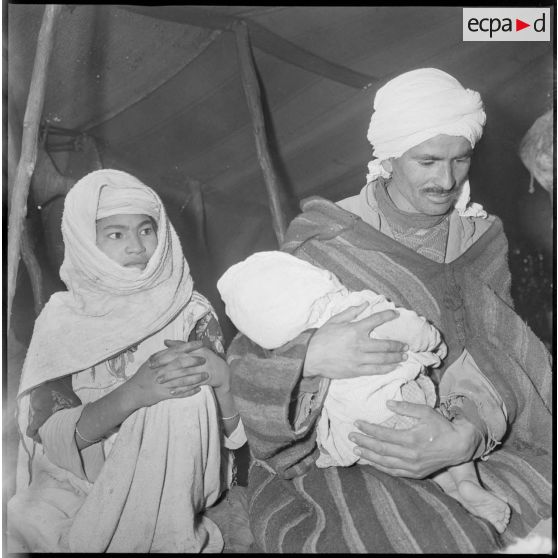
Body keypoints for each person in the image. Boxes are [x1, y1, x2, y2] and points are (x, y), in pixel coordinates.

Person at [227, 68, 552, 553]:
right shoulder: (329, 238)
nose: (446, 180)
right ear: (389, 157)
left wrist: (468, 432)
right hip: (360, 450)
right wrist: (311, 358)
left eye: (460, 160)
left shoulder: (483, 238)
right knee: (407, 535)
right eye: (427, 161)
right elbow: (251, 355)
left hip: (478, 434)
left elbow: (506, 349)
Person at [7, 169, 246, 552]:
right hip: (79, 481)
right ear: (85, 242)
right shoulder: (62, 320)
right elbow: (54, 440)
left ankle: (167, 537)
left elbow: (231, 436)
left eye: (147, 230)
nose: (137, 246)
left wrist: (223, 380)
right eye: (116, 234)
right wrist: (133, 394)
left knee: (187, 395)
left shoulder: (189, 311)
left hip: (176, 481)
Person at [218, 249, 512, 532]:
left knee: (415, 458)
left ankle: (453, 488)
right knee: (439, 437)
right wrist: (434, 341)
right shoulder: (355, 309)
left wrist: (299, 360)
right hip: (400, 404)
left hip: (351, 435)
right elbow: (409, 328)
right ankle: (467, 483)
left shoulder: (286, 338)